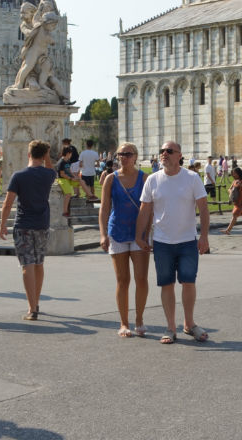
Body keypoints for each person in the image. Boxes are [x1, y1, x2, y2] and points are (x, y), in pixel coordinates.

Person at [136, 140, 209, 343]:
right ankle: (170, 327)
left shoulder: (192, 178)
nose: (164, 154)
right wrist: (139, 235)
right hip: (162, 241)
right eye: (162, 151)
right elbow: (144, 210)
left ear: (179, 155)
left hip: (187, 240)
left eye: (169, 151)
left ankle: (189, 323)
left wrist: (204, 236)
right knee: (166, 284)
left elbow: (203, 208)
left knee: (188, 281)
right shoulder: (152, 179)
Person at [0, 140, 57, 320]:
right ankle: (36, 301)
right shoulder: (49, 174)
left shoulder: (19, 176)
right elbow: (50, 167)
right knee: (39, 263)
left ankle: (32, 308)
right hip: (42, 223)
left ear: (28, 154)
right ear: (44, 155)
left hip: (23, 223)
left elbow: (8, 203)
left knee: (27, 265)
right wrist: (47, 156)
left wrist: (3, 224)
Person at [98, 142, 150, 337]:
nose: (123, 157)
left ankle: (139, 319)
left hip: (138, 233)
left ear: (135, 156)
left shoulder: (144, 178)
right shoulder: (111, 179)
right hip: (117, 231)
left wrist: (146, 233)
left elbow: (149, 208)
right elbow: (104, 208)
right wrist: (103, 234)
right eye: (120, 154)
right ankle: (123, 323)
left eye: (127, 154)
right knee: (122, 280)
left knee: (141, 279)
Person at [222, 165, 242, 235]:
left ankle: (228, 230)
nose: (233, 175)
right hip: (237, 200)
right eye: (232, 174)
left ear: (238, 173)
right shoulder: (235, 180)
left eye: (234, 173)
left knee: (234, 214)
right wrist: (231, 191)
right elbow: (229, 188)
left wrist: (239, 185)